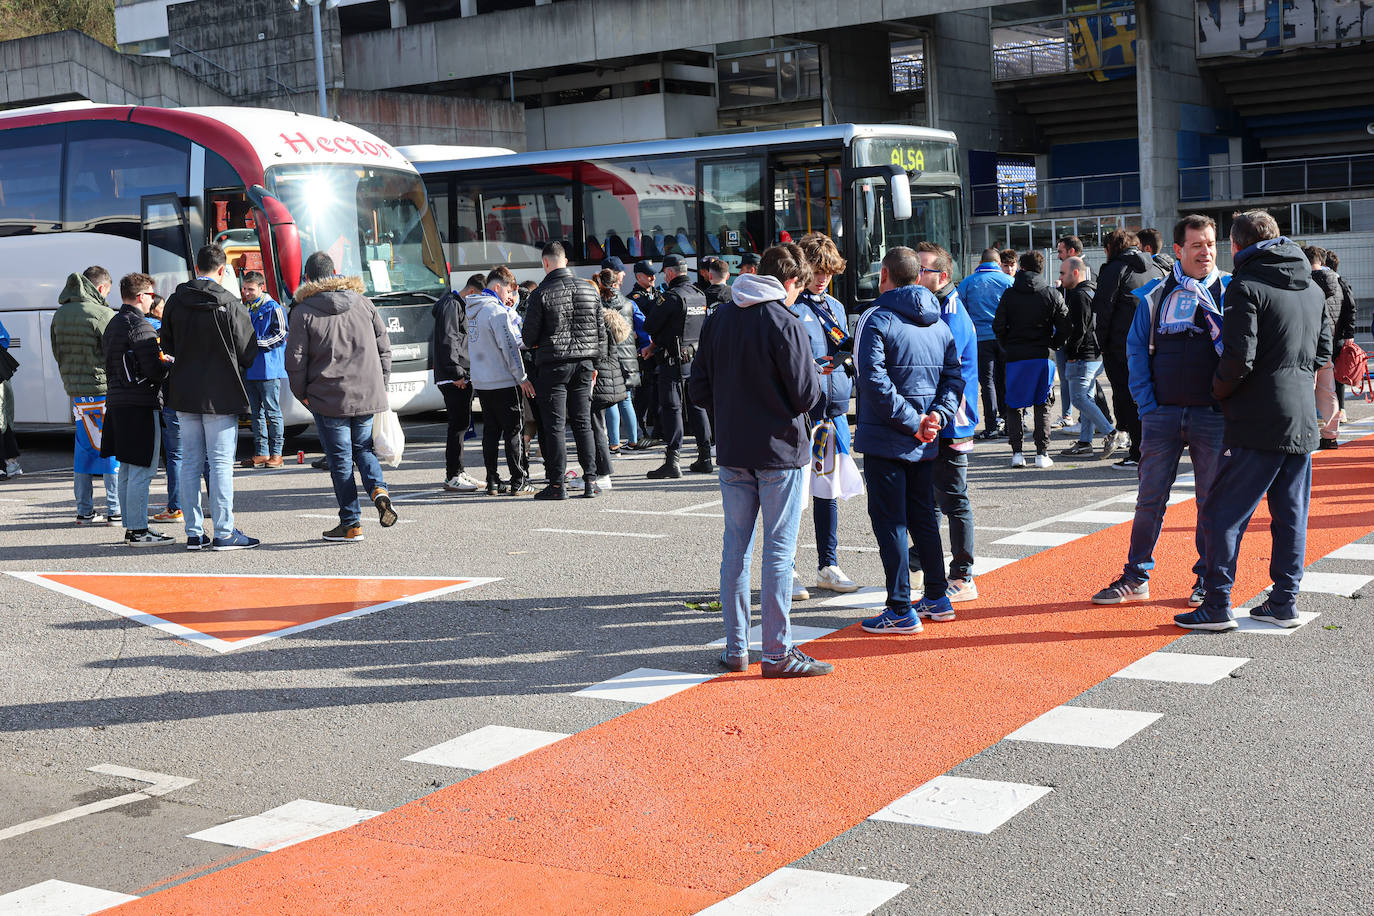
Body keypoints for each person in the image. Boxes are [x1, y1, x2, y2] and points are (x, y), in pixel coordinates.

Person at [688, 243, 832, 678]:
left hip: (733, 449)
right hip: (780, 450)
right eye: (798, 289)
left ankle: (737, 649)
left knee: (736, 548)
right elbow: (806, 395)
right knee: (778, 552)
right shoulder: (784, 321)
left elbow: (697, 390)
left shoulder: (721, 317)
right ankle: (776, 652)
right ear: (789, 282)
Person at [1181, 210, 1330, 631]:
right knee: (1290, 513)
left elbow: (1238, 358)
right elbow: (1321, 353)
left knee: (1222, 511)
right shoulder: (1313, 286)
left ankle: (1216, 603)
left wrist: (1218, 390)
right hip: (1301, 415)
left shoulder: (1246, 284)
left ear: (1235, 245)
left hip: (1256, 417)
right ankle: (1284, 601)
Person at [1091, 215, 1231, 607]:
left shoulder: (1230, 291)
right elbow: (1135, 348)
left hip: (1212, 416)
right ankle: (1136, 577)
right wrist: (1147, 405)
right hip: (1162, 415)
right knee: (1149, 499)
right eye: (1197, 246)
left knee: (1211, 501)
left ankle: (1208, 578)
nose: (1205, 252)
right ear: (1178, 250)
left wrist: (1228, 405)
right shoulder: (1156, 294)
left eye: (1210, 244)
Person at [852, 246, 965, 634]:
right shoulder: (940, 322)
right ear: (919, 277)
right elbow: (954, 378)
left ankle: (900, 607)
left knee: (891, 523)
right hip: (924, 435)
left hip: (888, 436)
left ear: (884, 274)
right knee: (922, 517)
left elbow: (873, 382)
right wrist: (935, 417)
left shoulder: (876, 317)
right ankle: (936, 594)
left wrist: (915, 420)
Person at [285, 252, 398, 542]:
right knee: (364, 450)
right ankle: (379, 490)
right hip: (367, 393)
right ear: (335, 272)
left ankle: (351, 523)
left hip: (327, 396)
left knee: (340, 460)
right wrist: (380, 384)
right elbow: (384, 347)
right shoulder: (364, 303)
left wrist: (302, 395)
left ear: (307, 278)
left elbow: (295, 360)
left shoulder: (302, 311)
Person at [162, 245, 259, 550]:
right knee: (220, 464)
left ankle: (193, 532)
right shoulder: (230, 303)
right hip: (221, 392)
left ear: (195, 268)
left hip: (184, 391)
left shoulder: (176, 302)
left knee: (189, 462)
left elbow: (169, 345)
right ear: (221, 270)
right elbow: (248, 352)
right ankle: (224, 531)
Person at [915, 241, 981, 603]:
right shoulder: (937, 305)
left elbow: (940, 367)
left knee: (953, 497)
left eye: (922, 269)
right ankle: (917, 559)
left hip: (951, 417)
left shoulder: (951, 310)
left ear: (941, 275)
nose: (915, 274)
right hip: (939, 414)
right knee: (933, 495)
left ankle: (962, 574)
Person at [795, 233, 859, 596]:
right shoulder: (791, 306)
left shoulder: (834, 306)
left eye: (828, 272)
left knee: (827, 491)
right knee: (793, 495)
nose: (822, 278)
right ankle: (785, 567)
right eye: (817, 271)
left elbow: (844, 350)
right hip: (802, 413)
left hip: (833, 413)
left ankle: (828, 564)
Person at [522, 241, 605, 500]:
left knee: (555, 425)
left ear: (545, 263)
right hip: (585, 364)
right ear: (565, 261)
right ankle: (590, 480)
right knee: (583, 423)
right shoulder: (590, 290)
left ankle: (557, 484)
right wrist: (596, 366)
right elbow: (602, 333)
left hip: (554, 363)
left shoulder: (541, 293)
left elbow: (528, 336)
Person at [100, 272, 173, 546]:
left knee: (128, 470)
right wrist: (167, 364)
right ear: (142, 296)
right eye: (151, 295)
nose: (153, 300)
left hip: (117, 402)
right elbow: (154, 370)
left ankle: (132, 528)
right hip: (140, 404)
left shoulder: (114, 323)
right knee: (142, 469)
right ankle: (139, 530)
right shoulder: (140, 325)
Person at [51, 265, 120, 524]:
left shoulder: (60, 313)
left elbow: (57, 351)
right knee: (110, 446)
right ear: (100, 288)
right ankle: (114, 508)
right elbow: (114, 354)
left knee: (84, 449)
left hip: (76, 392)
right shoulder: (103, 313)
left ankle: (84, 509)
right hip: (102, 390)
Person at [1092, 229, 1164, 470]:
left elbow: (1103, 311)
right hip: (1154, 342)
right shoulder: (1155, 268)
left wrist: (1101, 344)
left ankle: (1137, 452)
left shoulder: (1114, 270)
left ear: (1110, 248)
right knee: (1149, 395)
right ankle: (1154, 446)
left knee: (1127, 396)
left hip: (1121, 345)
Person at [994, 251, 1070, 468]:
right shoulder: (1051, 294)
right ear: (1041, 269)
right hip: (1042, 355)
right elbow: (1066, 325)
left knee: (1014, 405)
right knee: (1042, 403)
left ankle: (1017, 453)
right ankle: (1041, 453)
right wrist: (1054, 344)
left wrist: (1008, 345)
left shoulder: (1010, 294)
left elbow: (998, 326)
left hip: (1016, 355)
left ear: (1022, 268)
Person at [643, 254, 713, 479]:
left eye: (665, 272)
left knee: (672, 408)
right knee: (697, 406)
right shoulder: (699, 295)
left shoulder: (671, 297)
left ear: (670, 273)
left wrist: (655, 343)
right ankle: (705, 457)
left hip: (672, 362)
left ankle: (672, 461)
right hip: (695, 360)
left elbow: (650, 324)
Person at [466, 267, 533, 496]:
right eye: (508, 290)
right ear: (497, 287)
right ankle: (519, 480)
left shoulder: (472, 309)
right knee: (514, 431)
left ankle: (492, 480)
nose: (510, 296)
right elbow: (510, 347)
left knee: (491, 433)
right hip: (503, 380)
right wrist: (521, 377)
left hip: (482, 382)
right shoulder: (497, 313)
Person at [1058, 256, 1120, 459]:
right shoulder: (1094, 291)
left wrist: (1071, 353)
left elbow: (1079, 329)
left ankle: (1110, 432)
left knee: (1079, 398)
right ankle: (1085, 442)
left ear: (1075, 272)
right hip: (1094, 353)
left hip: (1084, 355)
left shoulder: (1079, 295)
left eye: (1062, 273)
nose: (1060, 277)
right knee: (1087, 398)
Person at [433, 273, 484, 491]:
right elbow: (449, 339)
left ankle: (459, 471)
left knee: (462, 424)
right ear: (471, 292)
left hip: (458, 373)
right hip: (453, 375)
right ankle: (453, 475)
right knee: (457, 425)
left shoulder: (454, 304)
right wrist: (457, 374)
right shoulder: (452, 305)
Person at [958, 247, 1013, 439]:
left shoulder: (967, 283)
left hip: (980, 339)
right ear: (998, 263)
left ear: (980, 263)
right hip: (1005, 338)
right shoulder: (1009, 281)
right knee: (1005, 379)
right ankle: (1009, 422)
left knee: (987, 382)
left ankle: (991, 424)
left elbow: (961, 312)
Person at [239, 271, 288, 469]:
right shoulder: (245, 308)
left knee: (272, 412)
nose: (246, 292)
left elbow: (282, 334)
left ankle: (277, 453)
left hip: (268, 368)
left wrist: (256, 344)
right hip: (250, 367)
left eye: (250, 289)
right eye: (244, 289)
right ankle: (261, 452)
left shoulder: (274, 308)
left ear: (261, 288)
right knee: (255, 413)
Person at [595, 268, 643, 455]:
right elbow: (643, 324)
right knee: (626, 399)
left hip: (608, 358)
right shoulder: (629, 303)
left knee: (610, 401)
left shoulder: (598, 303)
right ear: (616, 284)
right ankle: (633, 441)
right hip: (629, 359)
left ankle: (614, 443)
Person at [590, 282, 632, 490]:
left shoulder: (596, 320)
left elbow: (597, 354)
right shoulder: (609, 317)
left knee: (596, 425)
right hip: (613, 377)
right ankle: (621, 444)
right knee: (602, 422)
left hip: (599, 380)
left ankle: (602, 472)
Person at [145, 293, 181, 522]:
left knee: (174, 455)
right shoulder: (184, 330)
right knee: (203, 457)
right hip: (191, 398)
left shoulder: (152, 330)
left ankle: (176, 507)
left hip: (166, 397)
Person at [1303, 246, 1343, 450]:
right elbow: (1349, 307)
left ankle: (1306, 434)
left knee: (1305, 392)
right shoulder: (1337, 280)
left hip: (1307, 344)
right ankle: (1331, 436)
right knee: (1329, 392)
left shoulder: (1304, 282)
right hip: (1329, 342)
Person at [1052, 236, 1085, 430]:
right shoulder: (1064, 286)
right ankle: (1068, 415)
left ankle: (1086, 419)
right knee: (1065, 379)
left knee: (1080, 381)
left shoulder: (1084, 279)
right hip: (1065, 335)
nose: (1057, 256)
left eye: (1060, 251)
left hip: (1075, 338)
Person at [627, 260, 661, 448]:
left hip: (656, 350)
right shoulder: (634, 298)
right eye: (649, 275)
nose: (653, 278)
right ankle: (640, 428)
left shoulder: (656, 293)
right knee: (643, 393)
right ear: (639, 276)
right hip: (643, 353)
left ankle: (655, 428)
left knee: (656, 391)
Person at [1325, 250, 1357, 419]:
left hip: (1328, 336)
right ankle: (1341, 410)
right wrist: (1349, 333)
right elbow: (1351, 309)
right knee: (1339, 373)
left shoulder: (1321, 282)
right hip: (1340, 336)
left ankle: (1335, 410)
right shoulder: (1343, 283)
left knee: (1328, 374)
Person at [0, 318, 21, 480]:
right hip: (2, 368)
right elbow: (5, 338)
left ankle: (5, 464)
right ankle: (11, 462)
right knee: (6, 415)